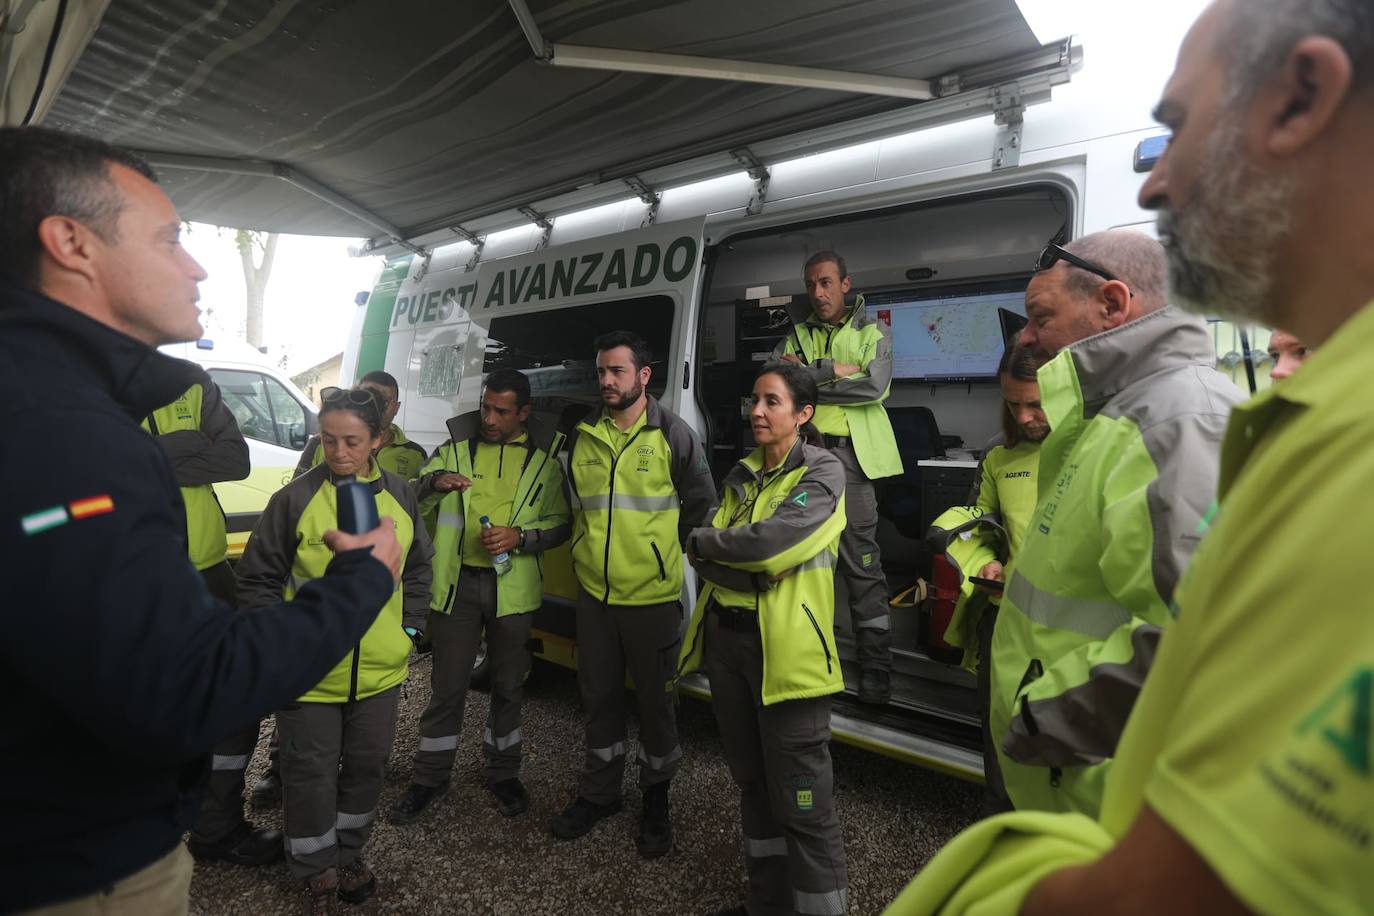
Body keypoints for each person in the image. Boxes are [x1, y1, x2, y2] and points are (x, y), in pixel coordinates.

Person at [889, 2, 1374, 911]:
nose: (1155, 186)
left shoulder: (1188, 420)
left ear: (1305, 95)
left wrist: (1037, 727)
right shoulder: (1119, 417)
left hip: (1088, 799)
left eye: (1180, 126)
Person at [0, 126, 402, 915]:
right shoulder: (63, 428)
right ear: (71, 242)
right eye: (171, 239)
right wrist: (362, 578)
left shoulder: (45, 399)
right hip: (75, 871)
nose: (198, 264)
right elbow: (182, 688)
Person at [986, 229, 1243, 819]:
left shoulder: (1174, 424)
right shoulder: (1112, 418)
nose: (1026, 337)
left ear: (1112, 304)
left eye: (1039, 316)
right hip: (1070, 779)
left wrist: (1039, 718)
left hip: (1104, 793)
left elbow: (1199, 639)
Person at [236, 386, 433, 913]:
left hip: (379, 676)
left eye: (352, 441)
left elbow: (418, 570)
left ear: (379, 440)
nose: (339, 453)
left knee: (368, 768)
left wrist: (410, 632)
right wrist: (281, 642)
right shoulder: (294, 499)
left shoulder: (402, 496)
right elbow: (255, 582)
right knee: (309, 774)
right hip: (309, 676)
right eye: (329, 441)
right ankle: (314, 865)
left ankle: (349, 854)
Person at [678, 363, 850, 916]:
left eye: (772, 402)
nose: (756, 411)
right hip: (728, 649)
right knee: (753, 786)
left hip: (789, 658)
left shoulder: (823, 472)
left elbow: (771, 546)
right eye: (755, 400)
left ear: (804, 414)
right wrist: (736, 561)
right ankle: (768, 904)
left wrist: (715, 543)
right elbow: (705, 556)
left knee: (804, 806)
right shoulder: (743, 472)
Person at [552, 330, 715, 858]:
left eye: (617, 371)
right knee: (597, 702)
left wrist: (695, 573)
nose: (606, 381)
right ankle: (600, 795)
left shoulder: (674, 434)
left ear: (644, 376)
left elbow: (703, 513)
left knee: (655, 707)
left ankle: (655, 801)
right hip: (596, 598)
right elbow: (573, 509)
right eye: (601, 371)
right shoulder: (581, 436)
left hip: (650, 600)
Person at [391, 368, 570, 823]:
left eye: (501, 410)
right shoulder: (450, 451)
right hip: (458, 587)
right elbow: (410, 500)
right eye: (486, 406)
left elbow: (561, 526)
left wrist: (521, 537)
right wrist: (432, 483)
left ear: (524, 413)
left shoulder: (545, 464)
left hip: (513, 591)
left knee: (509, 687)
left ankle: (503, 773)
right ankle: (429, 779)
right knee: (447, 688)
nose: (489, 417)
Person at [141, 373, 282, 866]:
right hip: (136, 579)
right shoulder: (89, 382)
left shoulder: (193, 385)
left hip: (211, 573)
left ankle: (215, 828)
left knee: (236, 700)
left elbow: (235, 458)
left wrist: (149, 454)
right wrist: (188, 444)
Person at [771, 251, 903, 704]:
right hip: (804, 458)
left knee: (862, 563)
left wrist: (806, 376)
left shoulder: (874, 331)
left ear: (846, 284)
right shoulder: (796, 331)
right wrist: (832, 370)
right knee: (809, 562)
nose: (818, 293)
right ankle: (815, 661)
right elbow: (775, 384)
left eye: (826, 283)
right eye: (811, 284)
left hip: (853, 461)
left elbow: (875, 386)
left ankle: (876, 672)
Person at [926, 343, 1048, 815]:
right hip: (1003, 619)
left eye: (1035, 402)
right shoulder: (1000, 455)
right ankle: (1001, 836)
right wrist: (984, 564)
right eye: (1014, 404)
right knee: (999, 738)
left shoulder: (1091, 448)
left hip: (1066, 632)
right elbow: (982, 523)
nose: (1025, 416)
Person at [293, 370, 427, 480]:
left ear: (396, 408)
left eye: (384, 401)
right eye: (366, 397)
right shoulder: (318, 443)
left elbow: (418, 505)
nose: (376, 406)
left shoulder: (415, 454)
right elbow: (295, 499)